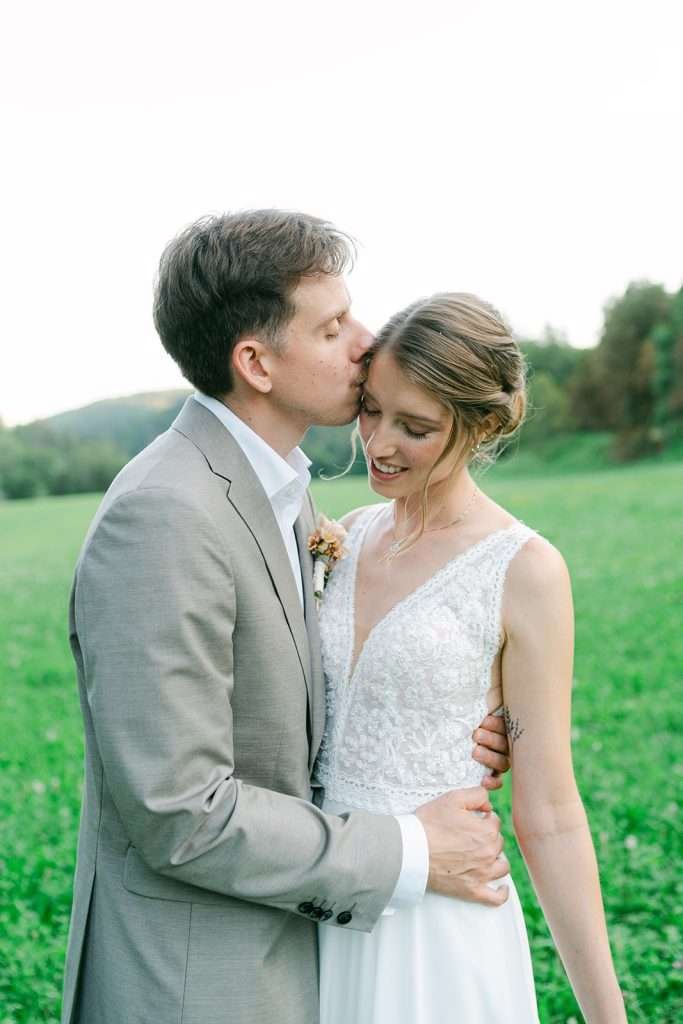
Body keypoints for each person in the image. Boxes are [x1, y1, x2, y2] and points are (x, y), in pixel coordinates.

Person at [60, 212, 513, 1024]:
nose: (366, 342)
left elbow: (293, 698)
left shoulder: (282, 488)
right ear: (256, 362)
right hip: (198, 983)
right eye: (333, 326)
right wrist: (413, 849)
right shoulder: (165, 514)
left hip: (308, 949)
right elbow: (178, 811)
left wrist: (452, 717)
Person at [315, 292, 627, 1024]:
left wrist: (607, 1017)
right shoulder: (340, 538)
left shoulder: (524, 570)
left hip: (435, 926)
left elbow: (548, 812)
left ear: (481, 424)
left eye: (414, 427)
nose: (378, 444)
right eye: (370, 410)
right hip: (318, 896)